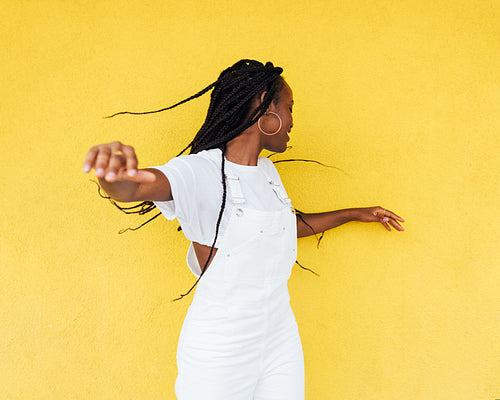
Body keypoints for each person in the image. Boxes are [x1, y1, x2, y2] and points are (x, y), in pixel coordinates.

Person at [83, 59, 404, 400]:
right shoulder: (201, 171)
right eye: (290, 108)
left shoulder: (267, 172)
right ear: (266, 105)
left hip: (279, 336)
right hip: (221, 348)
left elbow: (281, 228)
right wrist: (112, 176)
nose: (293, 120)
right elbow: (135, 188)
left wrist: (353, 214)